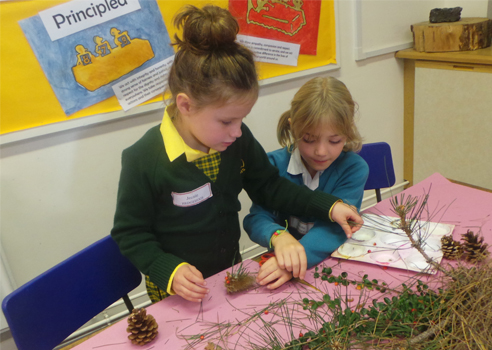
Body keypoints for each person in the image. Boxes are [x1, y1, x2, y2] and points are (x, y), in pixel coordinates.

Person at [111, 5, 363, 304]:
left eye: (242, 119)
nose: (237, 131)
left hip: (226, 273)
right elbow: (130, 233)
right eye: (227, 121)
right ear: (186, 105)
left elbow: (271, 188)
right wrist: (168, 269)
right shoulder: (143, 159)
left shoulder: (235, 143)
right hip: (176, 287)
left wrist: (329, 207)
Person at [244, 77, 369, 290]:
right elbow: (256, 218)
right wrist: (279, 237)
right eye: (309, 140)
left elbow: (338, 227)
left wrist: (294, 261)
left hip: (326, 267)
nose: (321, 151)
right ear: (294, 129)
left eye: (334, 141)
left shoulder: (353, 168)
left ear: (348, 131)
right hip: (282, 264)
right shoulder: (273, 165)